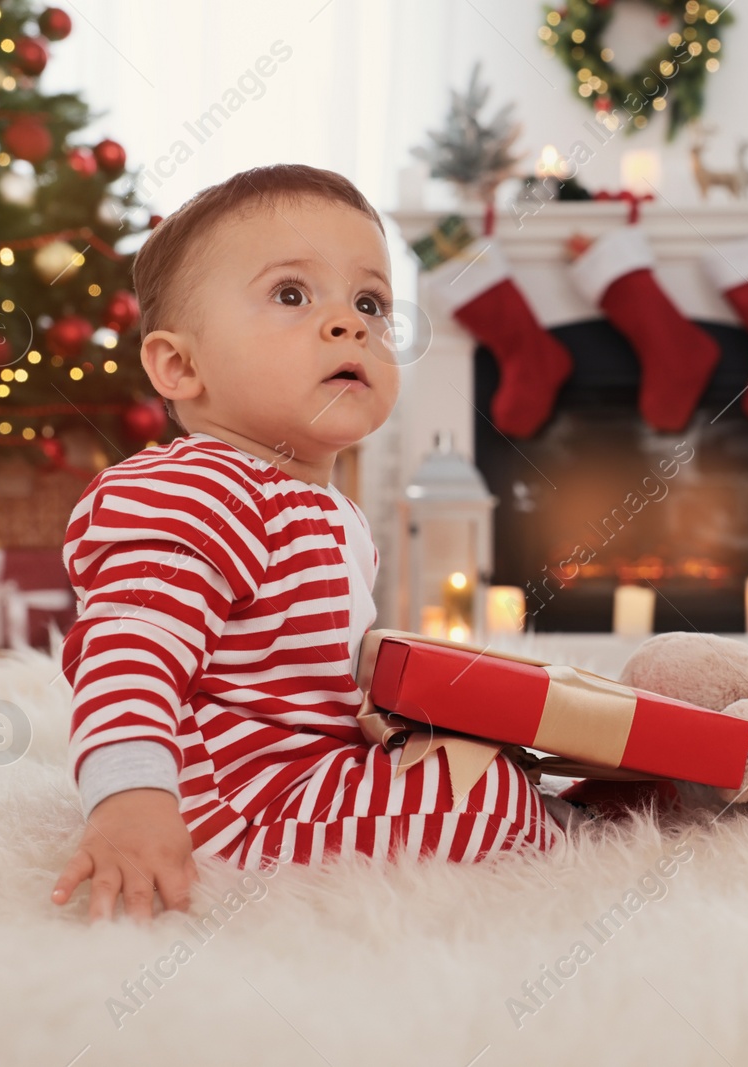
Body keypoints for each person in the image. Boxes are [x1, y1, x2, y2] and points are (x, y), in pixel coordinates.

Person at [50, 165, 559, 924]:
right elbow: (128, 649)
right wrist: (130, 798)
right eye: (292, 295)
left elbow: (316, 684)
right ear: (180, 365)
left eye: (370, 303)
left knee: (488, 741)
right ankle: (573, 823)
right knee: (484, 797)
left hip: (312, 765)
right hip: (234, 807)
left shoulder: (326, 509)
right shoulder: (196, 487)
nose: (349, 324)